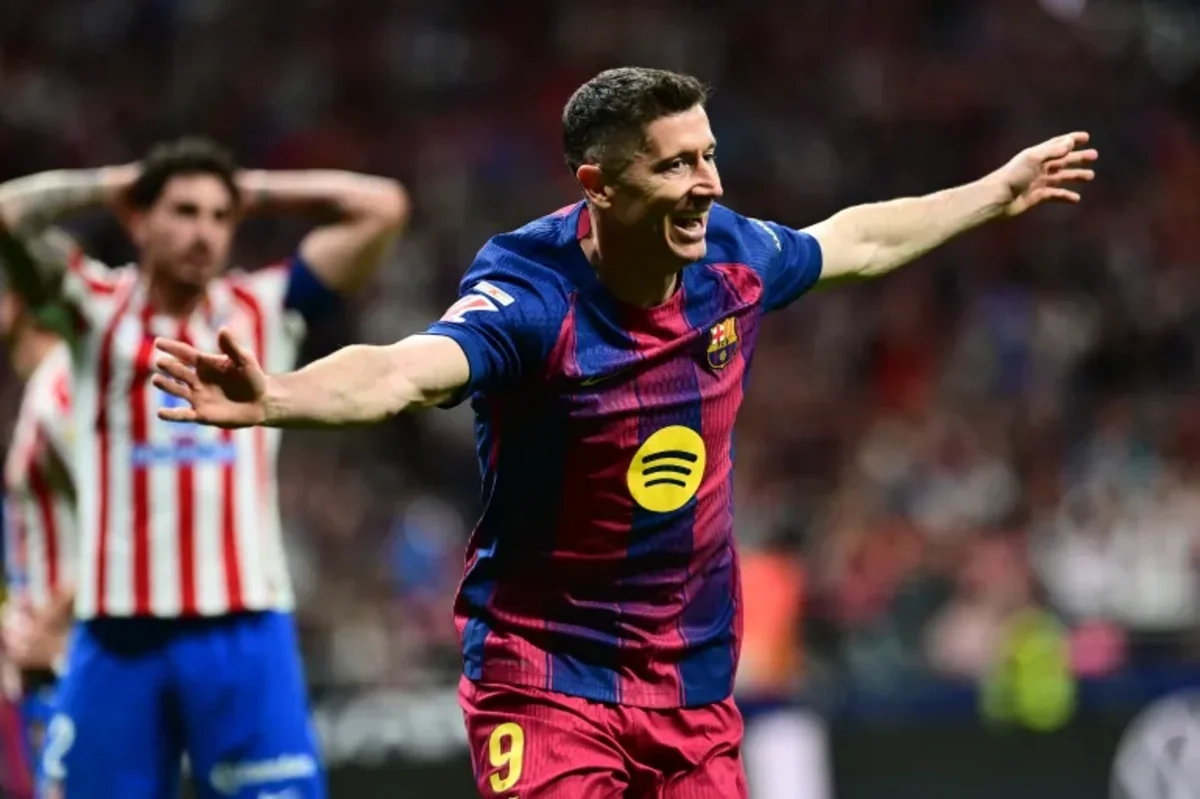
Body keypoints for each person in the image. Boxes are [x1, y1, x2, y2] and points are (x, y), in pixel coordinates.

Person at [151, 67, 1097, 798]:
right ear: (598, 185)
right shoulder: (532, 295)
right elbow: (403, 370)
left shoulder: (732, 258)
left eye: (708, 156)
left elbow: (856, 240)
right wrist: (278, 395)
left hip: (692, 687)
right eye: (676, 164)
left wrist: (994, 191)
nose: (706, 185)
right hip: (546, 678)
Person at [0, 136, 410, 798]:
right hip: (117, 634)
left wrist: (253, 191)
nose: (205, 232)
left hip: (244, 629)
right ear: (140, 221)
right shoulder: (94, 307)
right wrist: (116, 182)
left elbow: (382, 207)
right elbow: (8, 213)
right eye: (185, 211)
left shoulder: (263, 307)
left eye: (221, 217)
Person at [0, 286, 74, 799]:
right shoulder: (44, 387)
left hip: (71, 661)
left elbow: (127, 512)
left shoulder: (62, 389)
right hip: (44, 668)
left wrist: (54, 620)